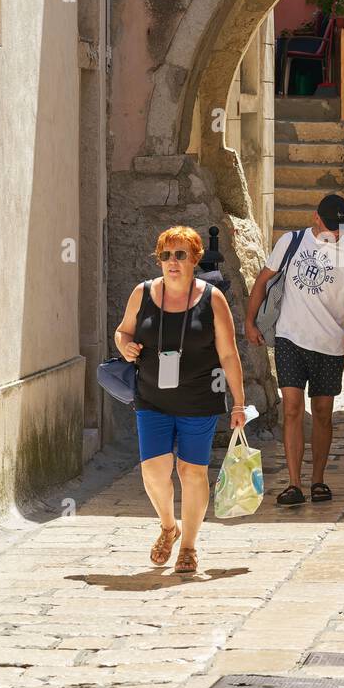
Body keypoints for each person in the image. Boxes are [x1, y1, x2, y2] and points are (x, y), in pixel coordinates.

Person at [114, 225, 247, 575]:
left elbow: (229, 355)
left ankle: (188, 545)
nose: (172, 262)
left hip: (199, 400)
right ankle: (168, 526)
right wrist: (124, 346)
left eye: (180, 255)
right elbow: (123, 330)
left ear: (194, 259)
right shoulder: (141, 294)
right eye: (165, 255)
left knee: (192, 472)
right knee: (154, 472)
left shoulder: (211, 299)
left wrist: (238, 403)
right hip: (152, 398)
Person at [245, 194, 344, 506]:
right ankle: (294, 483)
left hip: (330, 343)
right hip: (290, 338)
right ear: (316, 218)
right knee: (292, 409)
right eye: (330, 226)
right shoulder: (291, 241)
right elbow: (263, 281)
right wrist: (249, 321)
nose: (335, 233)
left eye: (340, 228)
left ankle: (318, 480)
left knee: (324, 414)